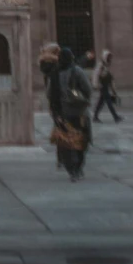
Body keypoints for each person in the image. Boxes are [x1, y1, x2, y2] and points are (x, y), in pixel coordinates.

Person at [52, 43, 93, 178]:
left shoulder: (55, 74)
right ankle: (79, 166)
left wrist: (55, 111)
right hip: (80, 112)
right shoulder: (77, 71)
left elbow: (50, 94)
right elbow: (88, 89)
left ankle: (71, 169)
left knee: (66, 142)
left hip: (63, 113)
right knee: (82, 139)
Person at [92, 48, 120, 124]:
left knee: (100, 102)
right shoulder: (100, 65)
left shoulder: (106, 65)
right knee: (108, 102)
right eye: (108, 57)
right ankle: (115, 117)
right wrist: (96, 85)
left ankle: (95, 116)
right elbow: (96, 75)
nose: (110, 58)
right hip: (102, 86)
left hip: (105, 86)